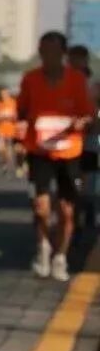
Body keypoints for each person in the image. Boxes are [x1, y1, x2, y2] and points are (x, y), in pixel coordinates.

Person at [16, 32, 94, 282]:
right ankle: (43, 248)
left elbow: (88, 114)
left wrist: (81, 122)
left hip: (69, 152)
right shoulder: (30, 79)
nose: (48, 56)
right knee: (41, 208)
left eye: (53, 51)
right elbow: (21, 111)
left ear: (63, 54)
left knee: (66, 211)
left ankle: (60, 257)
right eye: (44, 51)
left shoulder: (76, 80)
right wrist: (19, 137)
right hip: (39, 152)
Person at [67, 44, 99, 234]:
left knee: (88, 180)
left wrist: (95, 121)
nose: (75, 63)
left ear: (85, 61)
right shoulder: (62, 82)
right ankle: (74, 216)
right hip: (68, 139)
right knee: (71, 179)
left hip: (90, 138)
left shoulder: (93, 84)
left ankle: (88, 208)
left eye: (78, 59)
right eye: (72, 60)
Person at [0, 87, 18, 176]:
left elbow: (17, 115)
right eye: (1, 94)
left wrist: (11, 117)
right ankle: (3, 161)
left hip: (11, 129)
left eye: (5, 93)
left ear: (8, 94)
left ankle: (7, 165)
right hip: (0, 129)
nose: (3, 95)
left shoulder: (13, 103)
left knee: (9, 149)